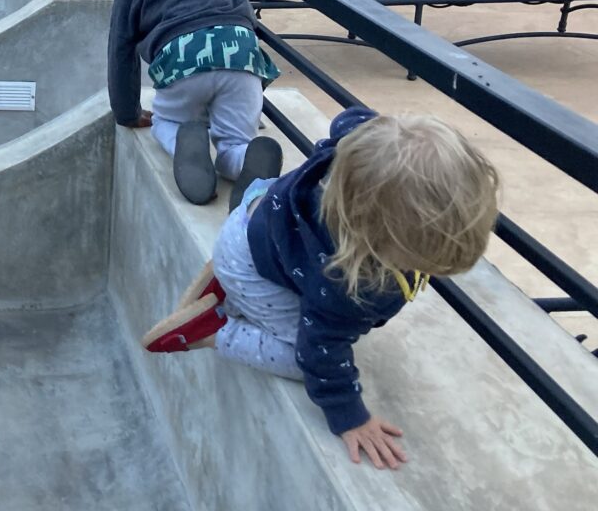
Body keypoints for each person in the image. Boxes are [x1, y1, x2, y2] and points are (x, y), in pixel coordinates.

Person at [142, 107, 501, 470]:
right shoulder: (348, 283)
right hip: (253, 265)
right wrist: (350, 416)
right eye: (418, 260)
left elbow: (352, 118)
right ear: (372, 242)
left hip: (261, 210)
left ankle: (227, 274)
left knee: (278, 254)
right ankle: (215, 328)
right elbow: (321, 354)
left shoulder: (360, 145)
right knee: (297, 358)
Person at [75, 0, 281, 207]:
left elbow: (120, 57)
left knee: (166, 122)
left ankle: (183, 140)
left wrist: (128, 113)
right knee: (237, 140)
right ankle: (243, 163)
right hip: (240, 50)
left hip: (182, 59)